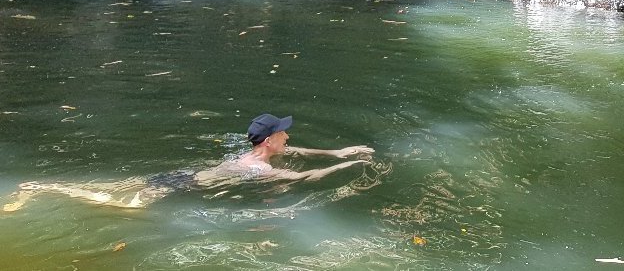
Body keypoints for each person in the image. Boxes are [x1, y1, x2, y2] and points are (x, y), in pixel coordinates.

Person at [2, 112, 374, 211]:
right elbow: (305, 177)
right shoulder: (258, 168)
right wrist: (344, 169)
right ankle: (47, 189)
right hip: (186, 184)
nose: (288, 136)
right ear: (270, 140)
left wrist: (340, 152)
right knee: (118, 204)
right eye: (283, 133)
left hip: (182, 175)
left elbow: (304, 155)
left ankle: (41, 187)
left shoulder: (259, 154)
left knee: (111, 190)